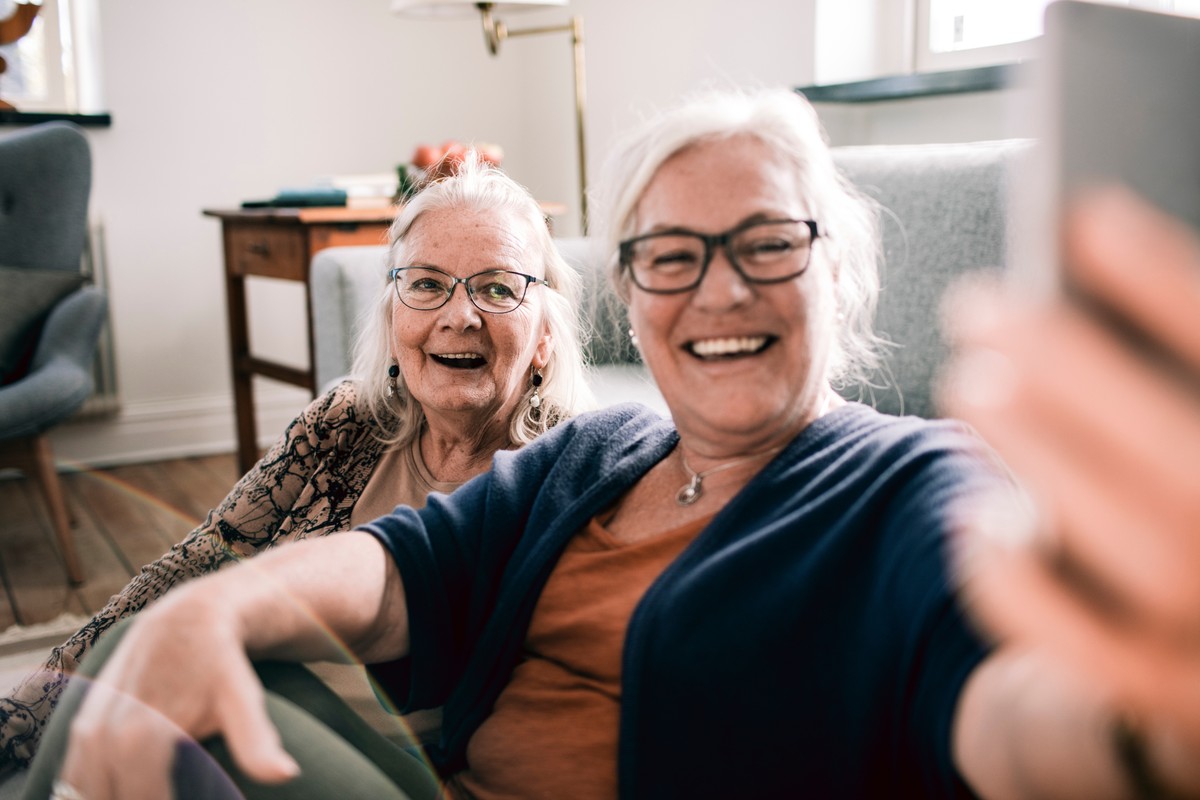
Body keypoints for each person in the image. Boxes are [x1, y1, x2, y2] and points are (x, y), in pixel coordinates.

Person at [25, 87, 1200, 799]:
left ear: (839, 274)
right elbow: (395, 567)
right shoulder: (601, 454)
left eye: (767, 244)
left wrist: (1147, 727)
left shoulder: (912, 479)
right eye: (671, 256)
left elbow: (1009, 716)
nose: (717, 290)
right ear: (631, 300)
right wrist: (209, 606)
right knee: (154, 657)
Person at [0, 154, 593, 772]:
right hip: (267, 724)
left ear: (545, 336)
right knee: (141, 640)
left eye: (498, 288)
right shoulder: (344, 423)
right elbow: (198, 562)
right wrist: (20, 714)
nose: (459, 315)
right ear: (393, 316)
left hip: (390, 769)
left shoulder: (563, 473)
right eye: (426, 284)